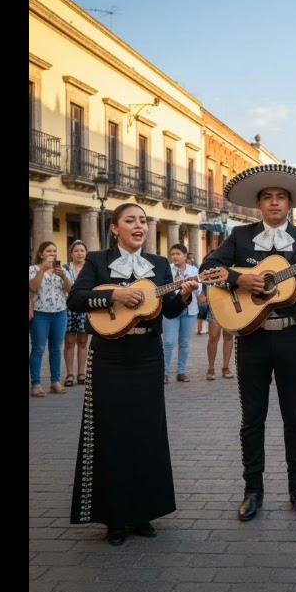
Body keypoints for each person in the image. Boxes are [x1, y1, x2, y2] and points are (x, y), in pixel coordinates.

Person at [200, 164, 296, 522]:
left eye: (281, 197)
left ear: (290, 204)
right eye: (268, 197)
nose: (275, 203)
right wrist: (240, 279)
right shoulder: (241, 237)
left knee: (295, 417)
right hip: (252, 337)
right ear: (259, 204)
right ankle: (252, 490)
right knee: (252, 417)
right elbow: (208, 268)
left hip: (291, 335)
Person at [66, 203, 202, 545]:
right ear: (115, 228)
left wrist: (184, 295)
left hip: (147, 356)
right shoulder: (98, 261)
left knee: (147, 432)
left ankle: (143, 513)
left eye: (142, 220)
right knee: (111, 434)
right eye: (130, 220)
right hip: (110, 356)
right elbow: (77, 300)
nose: (138, 225)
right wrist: (115, 294)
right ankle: (114, 518)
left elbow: (166, 309)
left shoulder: (157, 265)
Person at [29, 241, 71, 396]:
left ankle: (55, 382)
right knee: (38, 349)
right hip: (40, 314)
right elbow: (32, 287)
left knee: (56, 349)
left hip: (60, 313)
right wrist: (43, 270)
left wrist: (64, 277)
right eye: (48, 251)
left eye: (54, 251)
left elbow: (70, 290)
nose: (52, 254)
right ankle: (36, 384)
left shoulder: (62, 269)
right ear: (41, 254)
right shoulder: (33, 269)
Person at [162, 244, 200, 383]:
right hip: (171, 310)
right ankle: (164, 372)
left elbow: (199, 292)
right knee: (168, 342)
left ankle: (181, 372)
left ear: (185, 255)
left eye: (178, 253)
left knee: (184, 343)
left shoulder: (194, 270)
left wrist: (191, 287)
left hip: (190, 310)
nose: (174, 256)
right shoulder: (167, 270)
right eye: (172, 254)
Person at [63, 240, 90, 387]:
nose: (80, 253)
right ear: (71, 253)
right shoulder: (65, 268)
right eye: (76, 251)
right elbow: (69, 290)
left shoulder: (89, 269)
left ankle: (81, 373)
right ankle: (69, 374)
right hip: (68, 308)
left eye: (82, 250)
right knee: (69, 342)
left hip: (84, 308)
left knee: (82, 341)